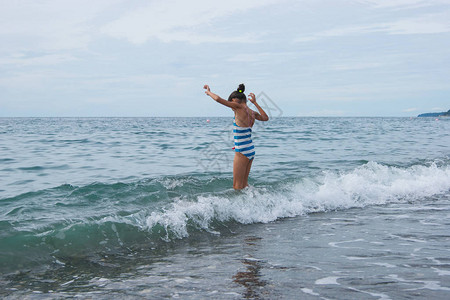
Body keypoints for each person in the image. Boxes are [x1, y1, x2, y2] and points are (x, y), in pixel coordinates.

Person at [204, 84, 269, 189]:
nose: (231, 106)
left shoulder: (238, 107)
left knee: (237, 186)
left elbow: (218, 99)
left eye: (231, 102)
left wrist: (208, 92)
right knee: (244, 185)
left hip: (242, 151)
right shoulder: (252, 112)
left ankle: (241, 205)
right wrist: (255, 103)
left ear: (235, 100)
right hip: (250, 150)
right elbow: (265, 118)